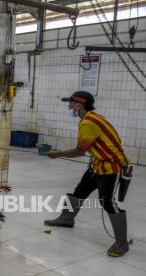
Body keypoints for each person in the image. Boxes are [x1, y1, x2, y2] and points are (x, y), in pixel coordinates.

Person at [45, 91, 130, 257]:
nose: (69, 106)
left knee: (108, 203)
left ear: (79, 104)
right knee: (80, 192)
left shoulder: (88, 123)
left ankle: (122, 243)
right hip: (97, 164)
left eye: (71, 103)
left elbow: (80, 151)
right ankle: (67, 219)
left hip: (111, 167)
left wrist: (58, 154)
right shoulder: (92, 117)